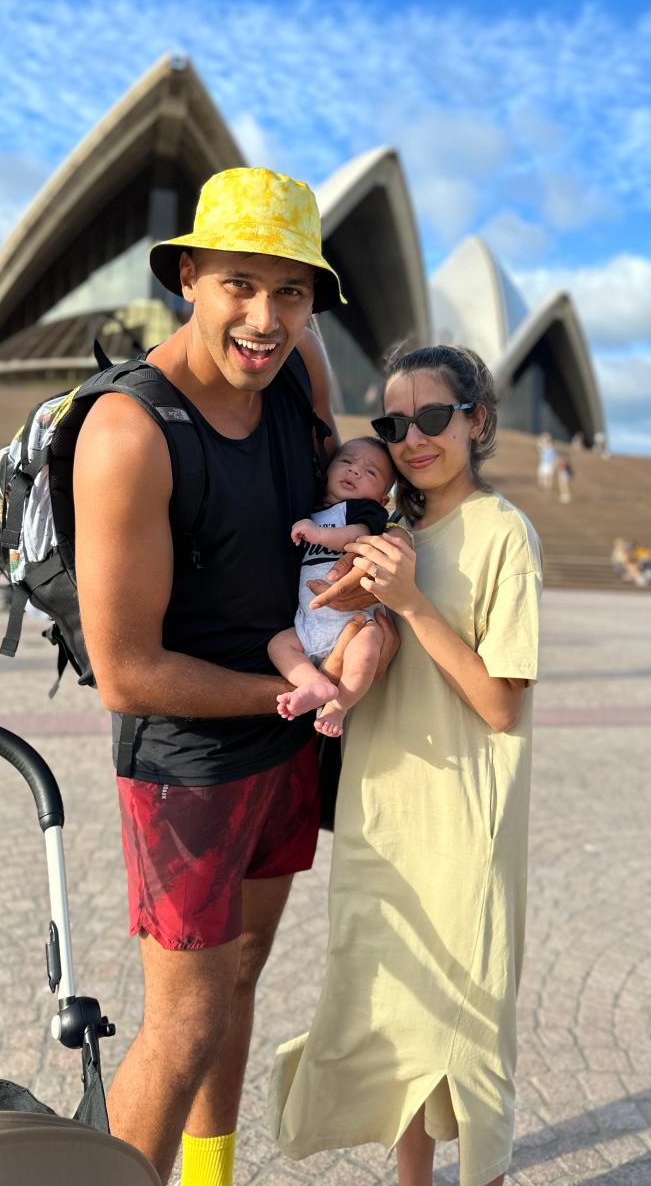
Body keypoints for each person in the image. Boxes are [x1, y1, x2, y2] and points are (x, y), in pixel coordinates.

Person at [72, 166, 396, 1186]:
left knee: (245, 974)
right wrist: (301, 691)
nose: (266, 317)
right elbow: (126, 674)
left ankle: (208, 1176)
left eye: (291, 290)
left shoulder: (300, 374)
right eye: (240, 285)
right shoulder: (132, 431)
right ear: (189, 279)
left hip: (284, 735)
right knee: (184, 1023)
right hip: (188, 759)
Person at [271, 344, 542, 1186]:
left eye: (435, 417)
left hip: (464, 819)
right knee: (396, 1011)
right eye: (397, 422)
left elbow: (500, 705)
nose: (414, 438)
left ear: (478, 421)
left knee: (467, 1026)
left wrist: (410, 601)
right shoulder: (388, 531)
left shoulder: (502, 533)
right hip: (381, 806)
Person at [269, 437, 397, 738]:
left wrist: (318, 534)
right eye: (347, 462)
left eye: (370, 472)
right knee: (279, 645)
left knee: (366, 651)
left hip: (353, 621)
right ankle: (313, 682)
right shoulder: (310, 509)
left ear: (382, 499)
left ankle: (339, 706)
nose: (354, 471)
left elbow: (356, 536)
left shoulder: (362, 511)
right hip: (309, 622)